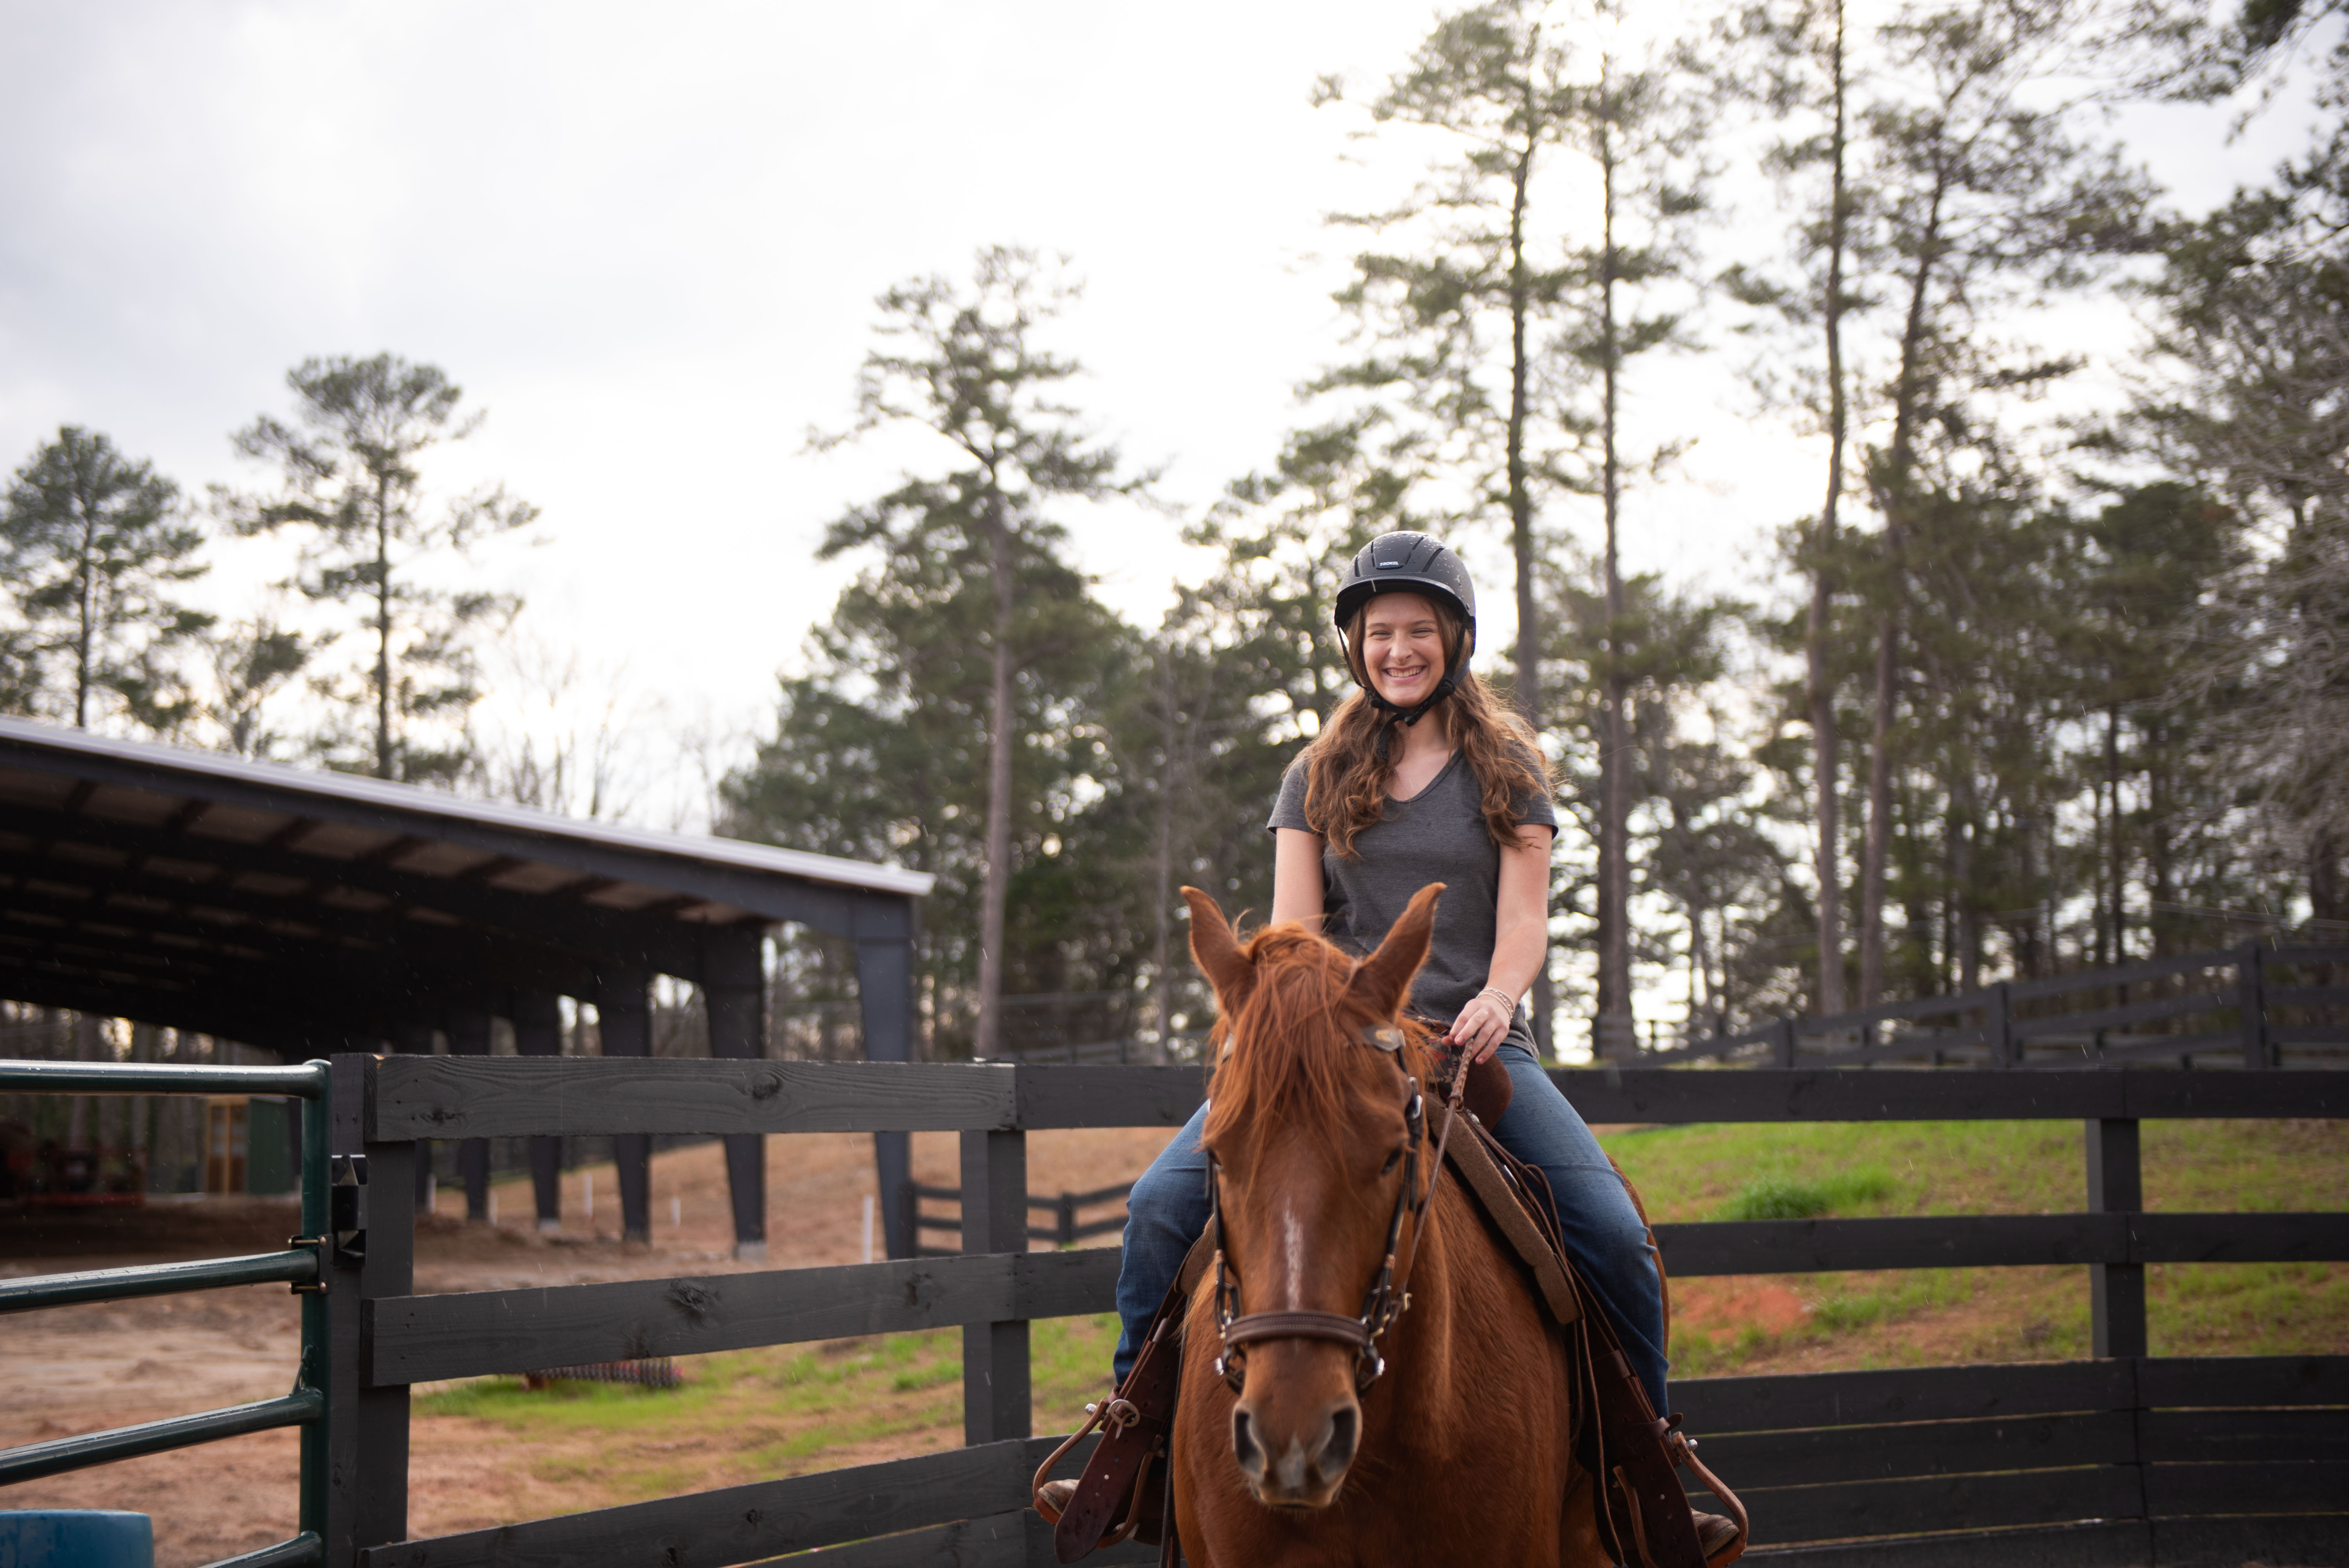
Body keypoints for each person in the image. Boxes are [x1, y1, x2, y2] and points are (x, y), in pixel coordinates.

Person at [1096, 531, 1734, 1556]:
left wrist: (1497, 995)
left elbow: (1525, 920)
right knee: (1159, 1208)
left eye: (1419, 632)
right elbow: (1292, 932)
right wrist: (1308, 1019)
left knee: (1612, 1234)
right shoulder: (1315, 773)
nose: (1399, 649)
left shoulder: (1506, 767)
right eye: (1379, 633)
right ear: (1355, 647)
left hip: (1477, 1045)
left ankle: (1643, 1478)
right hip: (1335, 1052)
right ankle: (1135, 1453)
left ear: (1457, 642)